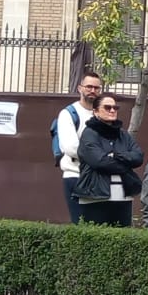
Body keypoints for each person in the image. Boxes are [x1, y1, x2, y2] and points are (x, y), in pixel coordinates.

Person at [74, 94, 144, 227]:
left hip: (123, 196)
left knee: (122, 241)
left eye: (115, 107)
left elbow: (138, 157)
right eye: (107, 107)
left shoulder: (123, 135)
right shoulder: (89, 133)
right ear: (95, 111)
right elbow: (99, 161)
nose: (112, 110)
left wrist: (115, 155)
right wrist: (125, 164)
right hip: (95, 196)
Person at [52, 69, 104, 224]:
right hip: (76, 176)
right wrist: (100, 157)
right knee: (81, 224)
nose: (92, 91)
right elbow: (70, 147)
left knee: (100, 225)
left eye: (96, 88)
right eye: (89, 87)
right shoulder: (69, 113)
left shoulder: (102, 113)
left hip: (99, 178)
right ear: (80, 88)